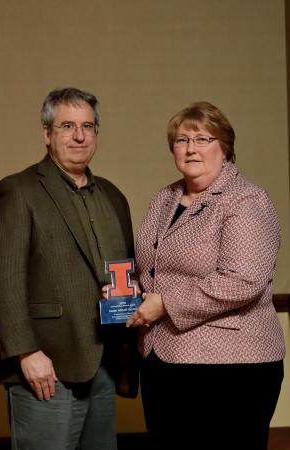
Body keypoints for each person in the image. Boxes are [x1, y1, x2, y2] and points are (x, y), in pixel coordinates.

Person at [126, 101, 286, 450]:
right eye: (182, 141)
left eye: (202, 138)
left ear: (224, 147)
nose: (191, 148)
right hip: (163, 358)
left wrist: (165, 304)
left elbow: (243, 280)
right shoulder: (164, 198)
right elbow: (152, 267)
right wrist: (128, 293)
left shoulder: (245, 200)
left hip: (231, 368)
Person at [0, 87, 136, 450]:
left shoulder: (114, 197)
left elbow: (125, 271)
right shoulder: (19, 190)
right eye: (67, 125)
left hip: (104, 362)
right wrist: (26, 352)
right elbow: (2, 279)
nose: (79, 135)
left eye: (88, 126)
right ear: (47, 134)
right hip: (45, 364)